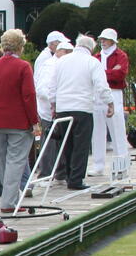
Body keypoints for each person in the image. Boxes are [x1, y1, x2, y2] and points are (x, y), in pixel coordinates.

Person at [0, 30, 38, 213]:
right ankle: (9, 203)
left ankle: (10, 197)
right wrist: (34, 121)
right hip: (18, 121)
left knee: (3, 162)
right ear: (20, 46)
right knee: (15, 162)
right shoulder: (23, 67)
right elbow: (29, 96)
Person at [46, 35, 112, 190]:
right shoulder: (92, 62)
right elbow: (101, 85)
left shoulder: (61, 61)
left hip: (63, 107)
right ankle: (76, 180)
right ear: (91, 48)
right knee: (81, 145)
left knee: (66, 144)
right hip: (82, 108)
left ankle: (69, 176)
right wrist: (110, 102)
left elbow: (52, 86)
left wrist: (53, 104)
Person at [89, 27, 129, 175]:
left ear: (113, 40)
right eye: (101, 39)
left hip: (114, 92)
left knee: (117, 129)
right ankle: (98, 165)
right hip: (97, 94)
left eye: (105, 39)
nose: (102, 42)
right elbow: (93, 75)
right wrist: (109, 72)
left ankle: (122, 164)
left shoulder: (121, 56)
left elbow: (120, 74)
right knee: (97, 130)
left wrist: (102, 74)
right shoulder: (97, 57)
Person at [33, 31, 68, 178]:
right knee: (48, 143)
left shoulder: (57, 61)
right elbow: (41, 88)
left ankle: (60, 173)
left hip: (57, 108)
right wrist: (53, 102)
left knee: (59, 142)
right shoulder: (46, 61)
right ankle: (45, 174)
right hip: (48, 109)